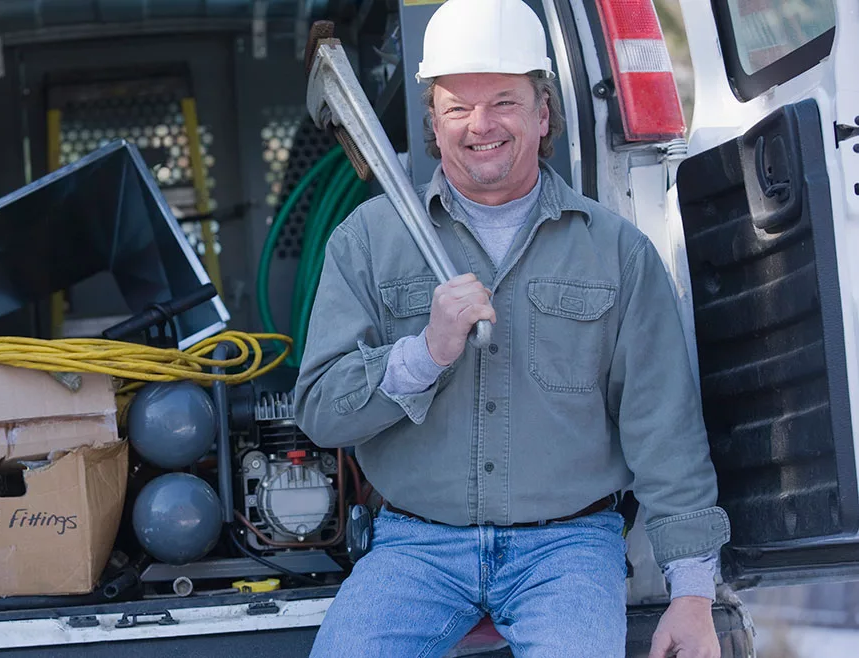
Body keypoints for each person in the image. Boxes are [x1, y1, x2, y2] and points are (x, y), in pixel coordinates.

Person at [293, 0, 731, 656]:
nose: (482, 125)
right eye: (457, 108)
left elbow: (664, 427)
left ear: (543, 113)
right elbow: (321, 412)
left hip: (568, 548)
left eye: (504, 101)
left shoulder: (617, 252)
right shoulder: (368, 241)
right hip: (416, 545)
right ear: (432, 122)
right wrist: (424, 354)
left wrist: (692, 594)